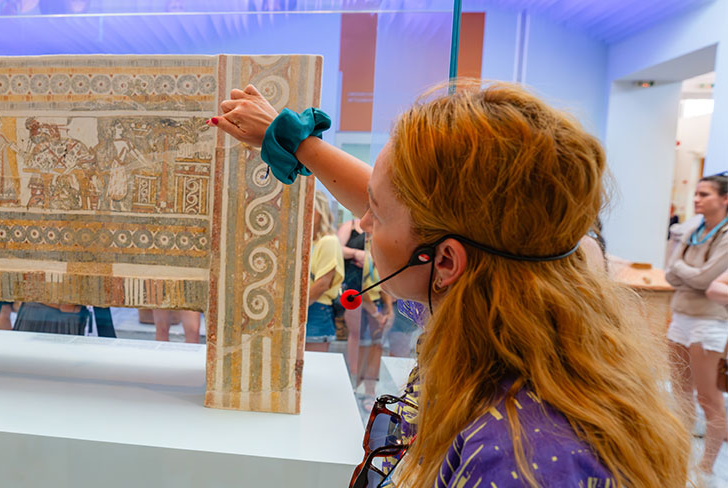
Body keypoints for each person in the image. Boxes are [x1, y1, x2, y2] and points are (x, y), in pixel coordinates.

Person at [210, 82, 689, 486]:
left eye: (376, 210)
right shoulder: (522, 277)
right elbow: (424, 220)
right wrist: (296, 143)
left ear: (445, 262)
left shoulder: (517, 457)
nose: (364, 222)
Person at [666, 175, 728, 484]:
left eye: (705, 194)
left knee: (708, 397)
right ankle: (679, 456)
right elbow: (671, 273)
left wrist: (686, 273)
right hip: (681, 316)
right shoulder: (693, 228)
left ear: (724, 199)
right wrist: (690, 275)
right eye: (697, 193)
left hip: (708, 322)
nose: (697, 199)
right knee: (679, 392)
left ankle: (706, 467)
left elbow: (707, 282)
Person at [305, 190, 345, 352]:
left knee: (313, 368)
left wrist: (296, 310)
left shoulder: (328, 241)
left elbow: (322, 284)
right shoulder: (309, 242)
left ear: (318, 211)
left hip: (315, 311)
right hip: (307, 308)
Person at [356, 250, 394, 411]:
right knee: (362, 350)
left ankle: (369, 392)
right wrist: (376, 314)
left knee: (376, 349)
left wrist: (389, 312)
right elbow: (359, 288)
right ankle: (358, 388)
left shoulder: (379, 258)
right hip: (362, 309)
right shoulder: (362, 259)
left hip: (376, 308)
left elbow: (383, 287)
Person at [338, 218, 367, 378]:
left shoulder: (379, 225)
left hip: (374, 286)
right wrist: (356, 253)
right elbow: (338, 249)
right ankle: (354, 372)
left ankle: (366, 377)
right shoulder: (349, 225)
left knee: (372, 336)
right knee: (355, 332)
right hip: (352, 287)